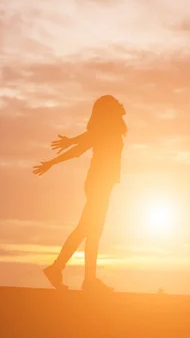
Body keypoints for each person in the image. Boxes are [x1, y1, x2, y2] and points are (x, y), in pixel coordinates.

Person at [33, 95, 127, 293]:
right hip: (98, 183)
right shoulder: (105, 129)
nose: (119, 106)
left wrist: (70, 143)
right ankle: (68, 272)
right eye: (113, 105)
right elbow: (83, 145)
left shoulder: (110, 129)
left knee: (90, 230)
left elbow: (83, 144)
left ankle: (72, 274)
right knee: (88, 229)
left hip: (102, 183)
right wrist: (53, 161)